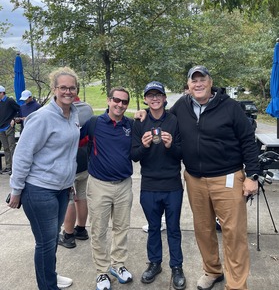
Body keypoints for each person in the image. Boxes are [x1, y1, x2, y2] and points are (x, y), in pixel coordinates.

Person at [136, 66, 260, 290]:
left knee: (234, 234)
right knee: (203, 230)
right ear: (188, 86)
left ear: (210, 82)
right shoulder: (182, 106)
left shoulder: (230, 107)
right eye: (194, 81)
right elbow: (162, 116)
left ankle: (236, 285)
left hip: (228, 177)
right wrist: (144, 115)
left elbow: (248, 141)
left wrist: (252, 175)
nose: (198, 84)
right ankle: (212, 271)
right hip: (194, 178)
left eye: (202, 80)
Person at [8, 67, 81, 290]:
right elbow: (22, 155)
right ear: (54, 89)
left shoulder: (73, 113)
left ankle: (50, 274)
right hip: (40, 190)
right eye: (63, 87)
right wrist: (16, 190)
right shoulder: (41, 118)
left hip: (62, 188)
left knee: (51, 241)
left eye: (72, 87)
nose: (68, 91)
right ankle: (47, 285)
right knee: (46, 243)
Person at [131, 81, 186, 290]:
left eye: (158, 95)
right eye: (150, 95)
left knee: (173, 228)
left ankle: (177, 267)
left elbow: (182, 153)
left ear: (164, 98)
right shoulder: (140, 121)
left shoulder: (174, 120)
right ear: (145, 99)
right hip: (149, 185)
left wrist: (171, 145)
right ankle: (155, 263)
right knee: (154, 227)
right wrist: (144, 146)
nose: (154, 98)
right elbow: (134, 156)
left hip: (172, 184)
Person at [80, 87, 133, 290]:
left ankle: (118, 265)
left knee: (122, 228)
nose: (120, 105)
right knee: (99, 230)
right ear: (109, 100)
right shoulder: (94, 123)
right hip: (99, 185)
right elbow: (71, 141)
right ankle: (102, 271)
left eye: (124, 102)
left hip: (123, 184)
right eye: (116, 100)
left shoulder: (130, 124)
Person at [58, 94, 93, 249]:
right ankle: (81, 229)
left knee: (69, 200)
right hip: (85, 160)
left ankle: (69, 235)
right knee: (82, 197)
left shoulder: (60, 110)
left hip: (69, 161)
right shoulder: (88, 109)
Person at [0, 85, 20, 175]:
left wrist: (14, 119)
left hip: (9, 126)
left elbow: (19, 110)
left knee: (12, 147)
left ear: (2, 93)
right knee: (6, 148)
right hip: (1, 128)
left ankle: (15, 166)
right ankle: (8, 166)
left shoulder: (9, 100)